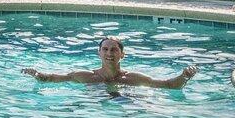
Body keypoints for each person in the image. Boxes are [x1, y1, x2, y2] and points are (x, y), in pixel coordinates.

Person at [24, 36, 197, 88]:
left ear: (122, 54)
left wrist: (184, 76)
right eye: (105, 49)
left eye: (114, 49)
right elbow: (55, 78)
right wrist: (38, 75)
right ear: (99, 53)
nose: (109, 53)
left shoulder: (134, 78)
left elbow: (168, 85)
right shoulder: (85, 76)